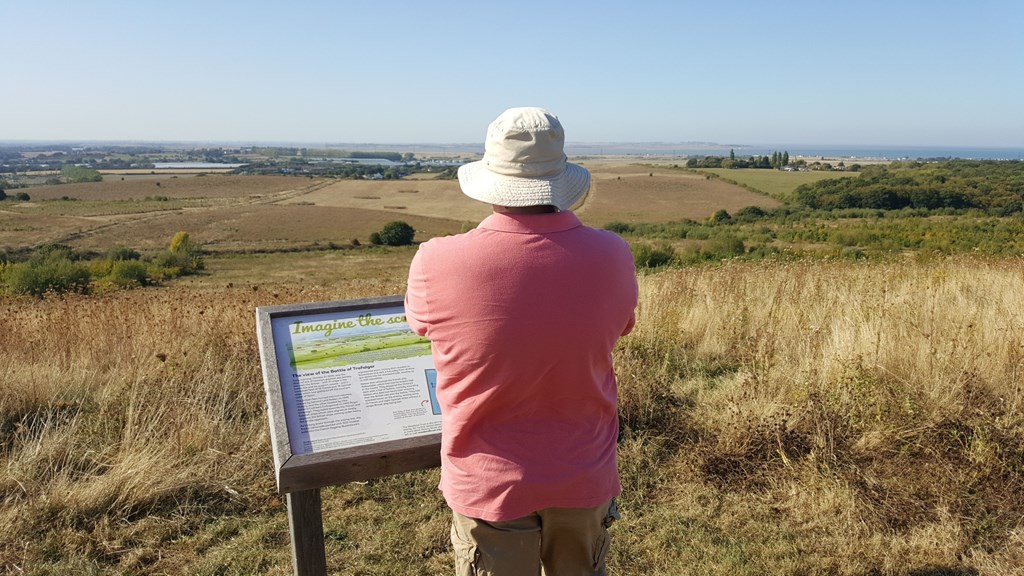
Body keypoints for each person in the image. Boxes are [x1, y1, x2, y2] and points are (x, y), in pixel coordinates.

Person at [405, 107, 638, 576]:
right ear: (560, 177)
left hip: (488, 481)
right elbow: (621, 326)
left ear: (492, 178)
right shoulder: (612, 254)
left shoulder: (436, 260)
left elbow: (422, 327)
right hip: (583, 471)